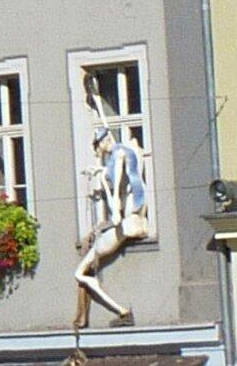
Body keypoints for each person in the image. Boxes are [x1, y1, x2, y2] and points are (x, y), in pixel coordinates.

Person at [75, 122, 154, 327]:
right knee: (84, 266)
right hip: (135, 212)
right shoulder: (123, 151)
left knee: (79, 271)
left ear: (103, 142)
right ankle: (120, 311)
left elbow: (118, 182)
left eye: (97, 146)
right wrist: (99, 170)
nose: (98, 150)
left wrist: (116, 214)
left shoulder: (118, 155)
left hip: (128, 217)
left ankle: (122, 311)